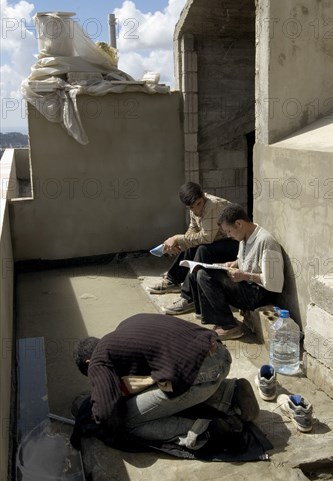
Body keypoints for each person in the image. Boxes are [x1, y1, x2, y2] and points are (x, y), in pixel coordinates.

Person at [73, 313, 259, 452]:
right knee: (168, 384)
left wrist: (104, 426)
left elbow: (106, 413)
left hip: (200, 374)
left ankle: (204, 431)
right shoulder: (127, 326)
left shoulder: (98, 360)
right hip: (221, 355)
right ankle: (231, 392)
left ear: (88, 362)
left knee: (129, 421)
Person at [192, 204, 284, 341]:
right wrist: (233, 264)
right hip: (246, 286)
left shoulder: (266, 242)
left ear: (239, 223)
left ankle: (230, 326)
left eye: (229, 231)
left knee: (204, 276)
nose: (228, 236)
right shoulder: (244, 237)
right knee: (202, 270)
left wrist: (245, 276)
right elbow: (244, 260)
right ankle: (220, 321)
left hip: (258, 294)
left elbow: (274, 283)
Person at [148, 182, 238, 315]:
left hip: (235, 246)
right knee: (192, 245)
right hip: (218, 242)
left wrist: (178, 238)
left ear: (203, 197)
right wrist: (180, 244)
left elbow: (207, 238)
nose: (197, 210)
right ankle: (172, 280)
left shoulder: (212, 205)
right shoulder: (194, 210)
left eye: (199, 204)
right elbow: (192, 231)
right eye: (192, 207)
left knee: (202, 249)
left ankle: (188, 298)